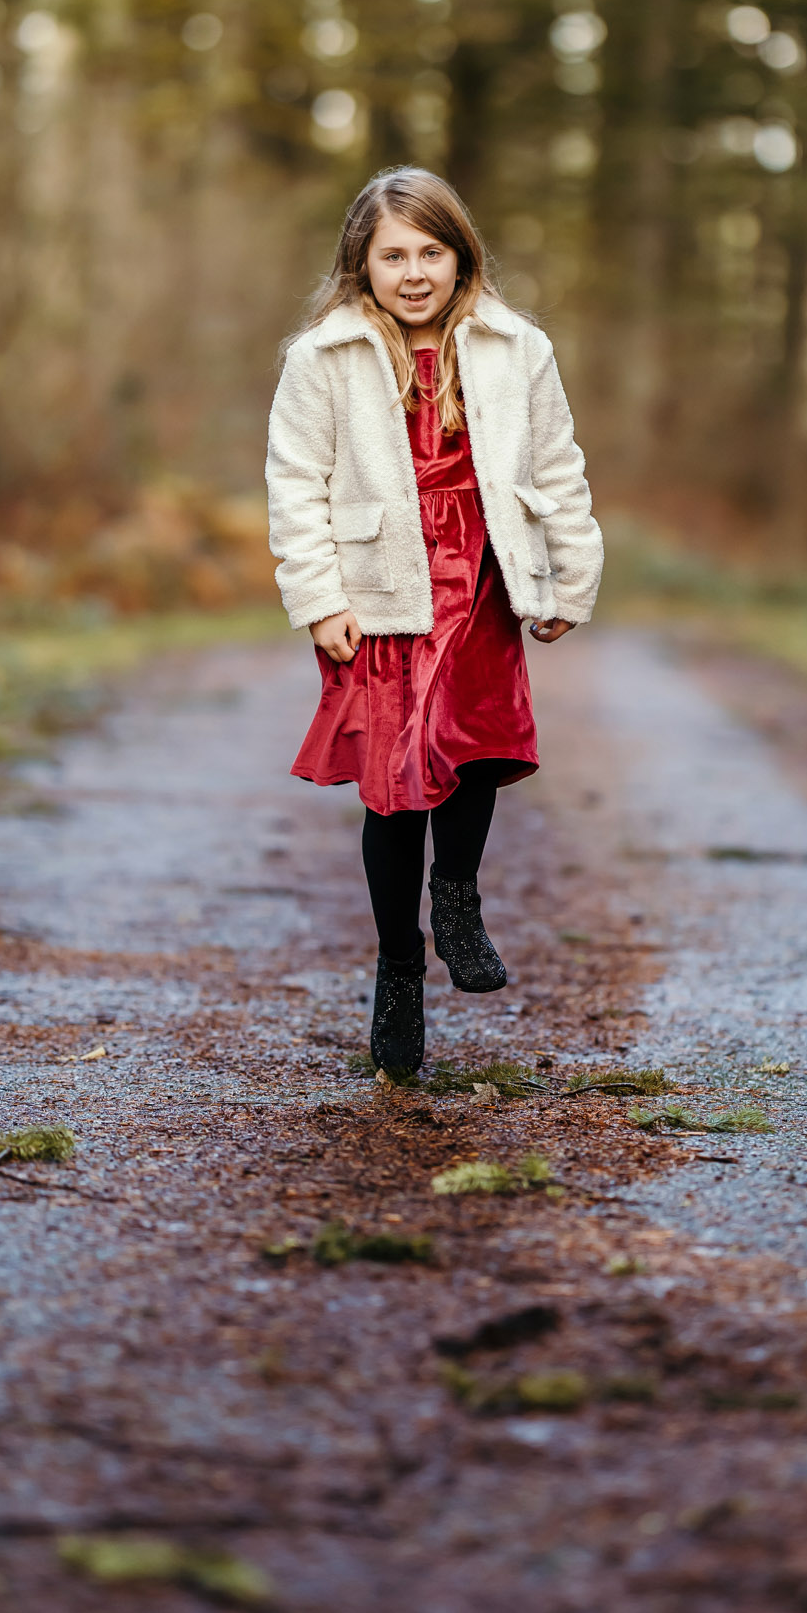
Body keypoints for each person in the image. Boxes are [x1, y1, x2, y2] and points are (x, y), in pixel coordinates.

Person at [266, 166, 602, 1076]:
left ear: (461, 258)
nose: (413, 272)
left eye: (430, 252)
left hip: (481, 577)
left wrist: (568, 577)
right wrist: (319, 597)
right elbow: (296, 485)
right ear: (360, 264)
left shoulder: (514, 347)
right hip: (383, 586)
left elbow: (556, 467)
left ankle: (455, 897)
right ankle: (399, 966)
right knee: (394, 778)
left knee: (473, 746)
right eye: (392, 255)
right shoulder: (322, 358)